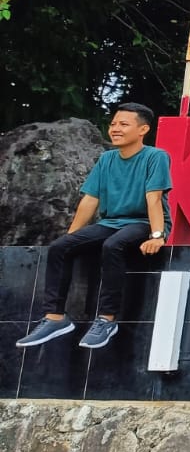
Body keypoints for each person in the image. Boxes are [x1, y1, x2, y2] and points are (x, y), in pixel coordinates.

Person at [16, 103, 171, 350]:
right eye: (113, 124)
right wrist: (73, 238)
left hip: (142, 222)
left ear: (143, 129)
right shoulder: (107, 159)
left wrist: (157, 235)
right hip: (110, 222)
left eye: (123, 124)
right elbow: (90, 199)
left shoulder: (156, 156)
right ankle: (55, 319)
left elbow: (153, 198)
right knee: (60, 247)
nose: (115, 129)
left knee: (113, 245)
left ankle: (107, 320)